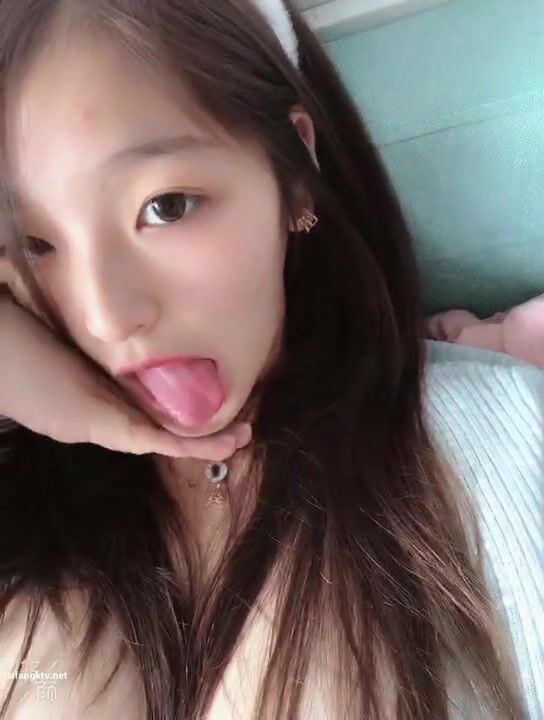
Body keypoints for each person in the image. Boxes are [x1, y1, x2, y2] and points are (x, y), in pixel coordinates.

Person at [0, 1, 538, 718]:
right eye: (36, 244)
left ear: (293, 172)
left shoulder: (497, 438)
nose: (106, 316)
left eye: (167, 206)